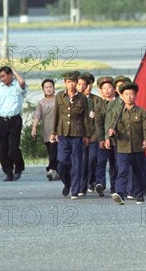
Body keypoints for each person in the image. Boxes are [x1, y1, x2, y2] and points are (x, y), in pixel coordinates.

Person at [107, 82, 146, 204]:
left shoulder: (142, 112)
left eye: (131, 94)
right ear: (122, 96)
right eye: (126, 94)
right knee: (122, 171)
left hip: (138, 147)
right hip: (122, 148)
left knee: (138, 173)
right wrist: (111, 133)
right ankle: (120, 194)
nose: (129, 97)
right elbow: (112, 126)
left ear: (135, 96)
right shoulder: (118, 112)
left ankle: (139, 194)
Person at [51, 71, 91, 199]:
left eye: (74, 82)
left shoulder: (82, 98)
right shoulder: (59, 96)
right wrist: (53, 132)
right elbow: (56, 115)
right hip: (63, 133)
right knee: (62, 162)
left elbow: (85, 118)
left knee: (76, 163)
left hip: (77, 134)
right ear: (65, 83)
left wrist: (87, 135)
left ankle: (75, 190)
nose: (71, 84)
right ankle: (67, 183)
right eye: (69, 82)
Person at [0, 66, 27, 181]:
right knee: (2, 149)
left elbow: (22, 82)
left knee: (13, 148)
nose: (2, 79)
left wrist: (15, 72)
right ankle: (8, 172)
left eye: (4, 76)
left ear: (10, 75)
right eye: (0, 77)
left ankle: (19, 168)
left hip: (14, 120)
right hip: (2, 120)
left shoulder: (17, 86)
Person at [78, 73, 102, 196]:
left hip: (93, 136)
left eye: (89, 84)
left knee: (92, 159)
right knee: (82, 161)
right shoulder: (76, 99)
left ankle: (92, 181)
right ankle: (82, 186)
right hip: (79, 135)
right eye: (82, 84)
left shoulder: (97, 100)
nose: (86, 87)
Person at [32, 78, 59, 181]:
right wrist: (34, 128)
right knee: (51, 151)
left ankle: (51, 169)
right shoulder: (41, 103)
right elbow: (37, 116)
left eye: (50, 87)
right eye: (46, 87)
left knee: (54, 151)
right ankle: (56, 171)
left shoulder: (58, 100)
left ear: (54, 88)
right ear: (43, 89)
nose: (48, 89)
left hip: (57, 131)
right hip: (46, 131)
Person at [94, 76, 117, 197]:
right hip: (103, 139)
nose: (107, 90)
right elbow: (98, 124)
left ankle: (115, 186)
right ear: (101, 91)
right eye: (104, 88)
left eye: (109, 87)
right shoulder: (99, 105)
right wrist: (101, 139)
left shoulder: (119, 103)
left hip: (117, 140)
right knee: (101, 162)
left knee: (115, 163)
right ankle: (100, 184)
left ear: (114, 89)